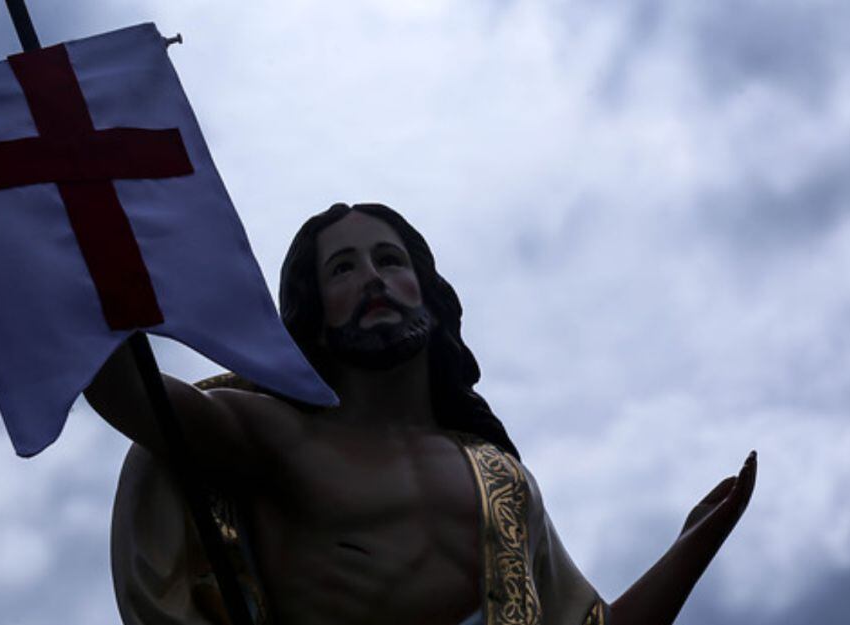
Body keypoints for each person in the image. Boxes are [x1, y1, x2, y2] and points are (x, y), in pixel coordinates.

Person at [86, 202, 757, 625]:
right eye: (343, 269)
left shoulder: (498, 479)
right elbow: (123, 391)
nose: (373, 278)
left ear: (428, 295)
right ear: (314, 317)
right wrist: (84, 244)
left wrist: (692, 543)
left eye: (390, 260)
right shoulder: (272, 434)